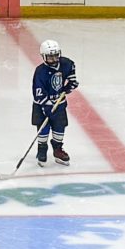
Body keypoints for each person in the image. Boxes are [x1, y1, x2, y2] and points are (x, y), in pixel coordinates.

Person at [31, 38, 79, 166]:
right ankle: (42, 149)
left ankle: (57, 149)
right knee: (43, 128)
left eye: (55, 56)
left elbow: (72, 77)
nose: (53, 59)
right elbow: (38, 91)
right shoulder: (40, 71)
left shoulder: (66, 64)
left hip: (59, 103)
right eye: (50, 57)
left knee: (59, 127)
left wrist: (70, 85)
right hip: (42, 105)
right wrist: (46, 106)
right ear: (43, 56)